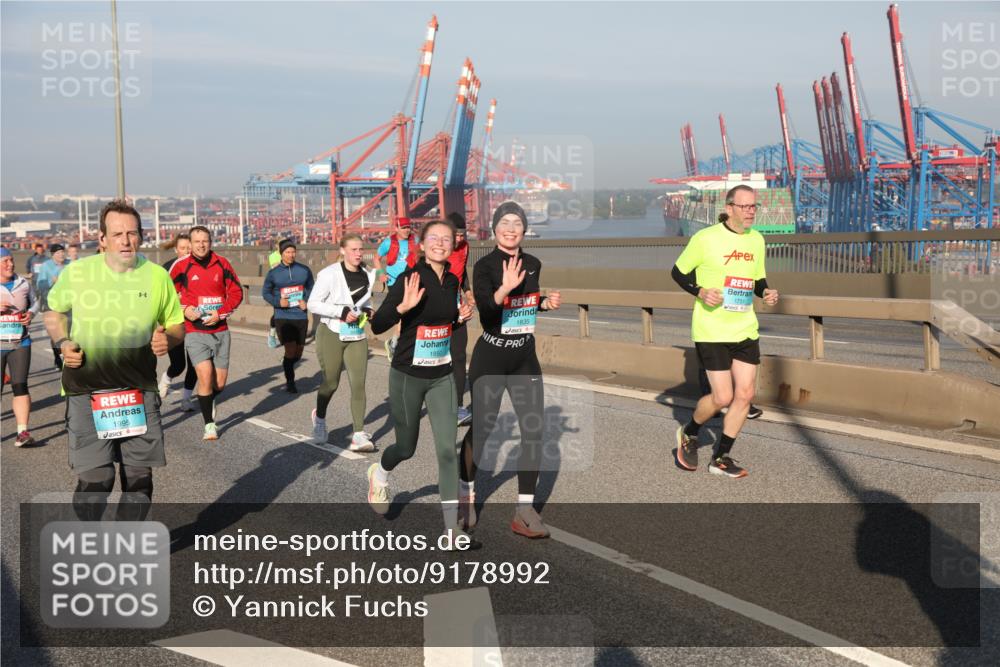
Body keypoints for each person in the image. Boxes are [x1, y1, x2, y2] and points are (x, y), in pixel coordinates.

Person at [43, 200, 184, 520]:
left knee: (139, 482)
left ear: (141, 236)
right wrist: (62, 341)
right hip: (86, 389)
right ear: (102, 238)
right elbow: (53, 312)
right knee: (98, 480)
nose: (125, 240)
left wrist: (169, 339)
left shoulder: (157, 276)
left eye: (132, 233)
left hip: (138, 391)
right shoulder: (78, 272)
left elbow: (176, 324)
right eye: (117, 233)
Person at [366, 219, 476, 545]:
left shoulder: (453, 280)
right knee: (406, 447)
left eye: (446, 239)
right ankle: (380, 474)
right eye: (434, 239)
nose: (441, 243)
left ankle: (450, 530)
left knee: (446, 450)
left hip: (441, 377)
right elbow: (378, 324)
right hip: (407, 377)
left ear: (453, 245)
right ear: (423, 245)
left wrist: (458, 318)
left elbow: (442, 324)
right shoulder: (409, 278)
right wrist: (402, 307)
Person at [457, 201, 562, 539]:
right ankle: (465, 494)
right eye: (505, 222)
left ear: (524, 228)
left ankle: (525, 510)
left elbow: (525, 306)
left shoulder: (533, 263)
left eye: (517, 222)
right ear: (495, 229)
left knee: (534, 430)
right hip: (491, 357)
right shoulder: (484, 265)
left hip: (523, 357)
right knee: (482, 430)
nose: (511, 227)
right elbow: (488, 310)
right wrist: (503, 287)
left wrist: (543, 302)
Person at [671, 185, 779, 478]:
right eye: (745, 207)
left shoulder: (757, 240)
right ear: (729, 208)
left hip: (744, 327)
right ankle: (690, 433)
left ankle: (721, 457)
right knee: (722, 398)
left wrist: (766, 291)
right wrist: (700, 291)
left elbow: (757, 278)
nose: (750, 213)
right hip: (712, 329)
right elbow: (678, 272)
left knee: (745, 394)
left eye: (754, 207)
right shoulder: (705, 239)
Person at [170, 226, 243, 441]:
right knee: (204, 375)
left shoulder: (222, 263)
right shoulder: (181, 266)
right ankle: (209, 425)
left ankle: (208, 397)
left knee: (219, 384)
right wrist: (184, 309)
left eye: (205, 241)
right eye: (197, 241)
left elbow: (237, 292)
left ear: (210, 242)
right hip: (194, 332)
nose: (201, 245)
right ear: (190, 244)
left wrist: (220, 314)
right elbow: (167, 295)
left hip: (220, 330)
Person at [306, 233, 377, 451]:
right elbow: (313, 304)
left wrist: (368, 310)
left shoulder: (367, 273)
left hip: (356, 334)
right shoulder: (329, 274)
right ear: (343, 250)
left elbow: (365, 300)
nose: (358, 253)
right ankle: (319, 419)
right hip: (332, 333)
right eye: (353, 249)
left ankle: (358, 434)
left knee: (358, 383)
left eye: (360, 249)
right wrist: (340, 311)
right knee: (331, 383)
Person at [262, 239, 315, 393]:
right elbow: (265, 292)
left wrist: (306, 301)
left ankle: (287, 363)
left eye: (293, 252)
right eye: (287, 252)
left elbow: (312, 287)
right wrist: (278, 302)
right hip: (283, 316)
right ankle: (290, 381)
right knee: (290, 350)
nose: (291, 255)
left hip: (301, 316)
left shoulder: (304, 270)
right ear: (281, 254)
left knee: (297, 353)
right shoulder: (274, 273)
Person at [1, 246, 39, 447]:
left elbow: (35, 303)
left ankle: (22, 432)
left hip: (20, 342)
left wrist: (31, 314)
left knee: (20, 385)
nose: (11, 264)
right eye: (5, 261)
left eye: (11, 259)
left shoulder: (23, 283)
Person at [157, 233, 198, 408]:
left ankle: (186, 400)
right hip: (173, 323)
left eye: (189, 248)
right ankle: (166, 380)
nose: (186, 251)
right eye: (183, 248)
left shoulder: (197, 267)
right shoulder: (166, 269)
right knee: (179, 364)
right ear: (176, 249)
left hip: (195, 323)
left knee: (195, 363)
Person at [446, 212, 475, 427]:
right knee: (434, 359)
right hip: (433, 309)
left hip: (457, 308)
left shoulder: (465, 247)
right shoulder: (438, 246)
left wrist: (467, 291)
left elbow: (462, 270)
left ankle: (456, 406)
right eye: (455, 235)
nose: (459, 239)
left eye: (462, 235)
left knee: (458, 356)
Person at [375, 217, 416, 359]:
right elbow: (376, 258)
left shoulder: (414, 241)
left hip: (410, 281)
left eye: (408, 227)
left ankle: (395, 343)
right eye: (403, 227)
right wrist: (381, 274)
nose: (406, 230)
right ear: (396, 228)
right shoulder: (388, 243)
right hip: (394, 283)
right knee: (402, 314)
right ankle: (395, 343)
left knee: (409, 314)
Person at [35, 243, 70, 368]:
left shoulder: (70, 264)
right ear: (52, 255)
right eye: (58, 253)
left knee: (69, 332)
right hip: (52, 304)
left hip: (69, 303)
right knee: (55, 333)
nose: (61, 254)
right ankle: (57, 357)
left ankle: (68, 357)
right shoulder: (46, 266)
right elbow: (40, 285)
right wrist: (51, 281)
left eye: (62, 252)